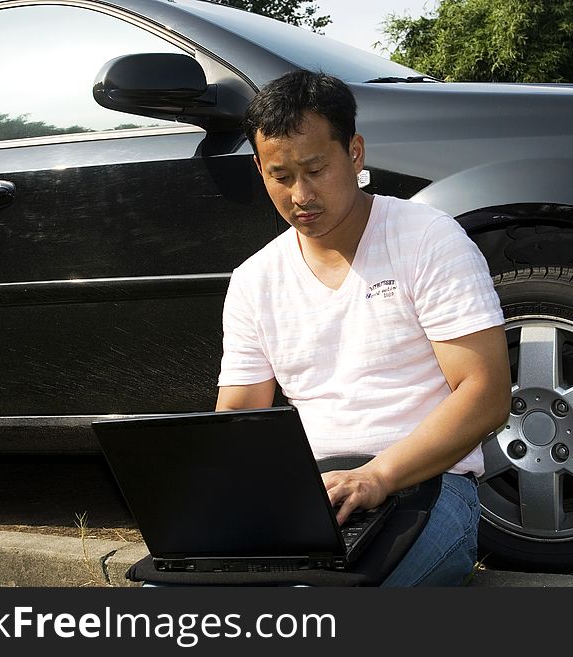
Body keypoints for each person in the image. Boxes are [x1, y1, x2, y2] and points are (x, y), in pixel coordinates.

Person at [216, 70, 511, 587]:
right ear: (259, 169)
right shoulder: (253, 280)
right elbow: (239, 417)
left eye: (315, 169)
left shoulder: (427, 239)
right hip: (313, 496)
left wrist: (378, 476)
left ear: (354, 153)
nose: (301, 194)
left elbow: (485, 394)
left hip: (424, 486)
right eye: (280, 177)